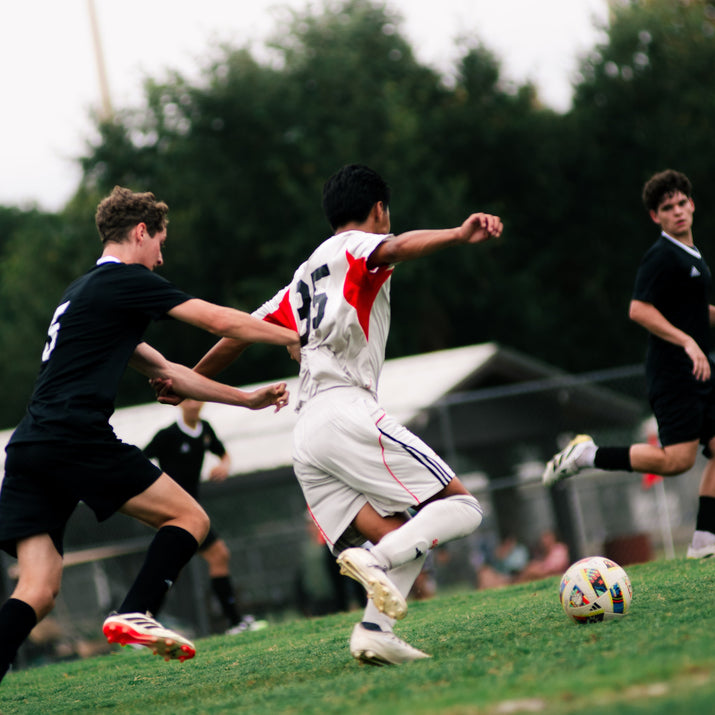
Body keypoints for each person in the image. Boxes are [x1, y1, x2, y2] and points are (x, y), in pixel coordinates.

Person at [185, 164, 503, 665]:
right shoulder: (358, 246)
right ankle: (373, 561)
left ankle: (375, 631)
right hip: (345, 408)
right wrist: (458, 235)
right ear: (379, 210)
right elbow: (397, 247)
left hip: (307, 431)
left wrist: (185, 382)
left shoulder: (300, 280)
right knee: (464, 507)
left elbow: (237, 334)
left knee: (404, 534)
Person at [0, 186, 299, 684]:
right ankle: (136, 610)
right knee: (190, 518)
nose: (161, 259)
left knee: (37, 588)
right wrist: (293, 335)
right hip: (74, 434)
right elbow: (215, 319)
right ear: (141, 232)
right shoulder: (125, 280)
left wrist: (247, 399)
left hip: (30, 445)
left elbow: (169, 371)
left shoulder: (83, 292)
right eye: (160, 243)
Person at [543, 169, 715, 560]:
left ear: (692, 204)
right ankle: (587, 456)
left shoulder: (691, 254)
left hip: (701, 370)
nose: (677, 211)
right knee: (676, 462)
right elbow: (638, 309)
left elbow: (692, 309)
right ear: (655, 216)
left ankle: (705, 538)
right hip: (674, 373)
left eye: (681, 203)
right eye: (667, 208)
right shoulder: (661, 255)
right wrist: (687, 342)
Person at [143, 399, 266, 634]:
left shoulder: (205, 429)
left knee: (197, 561)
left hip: (191, 510)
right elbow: (140, 460)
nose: (194, 403)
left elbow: (223, 454)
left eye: (196, 396)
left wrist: (224, 465)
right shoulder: (167, 435)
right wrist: (156, 494)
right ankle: (141, 622)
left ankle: (143, 623)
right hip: (174, 512)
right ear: (179, 403)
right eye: (187, 398)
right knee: (184, 564)